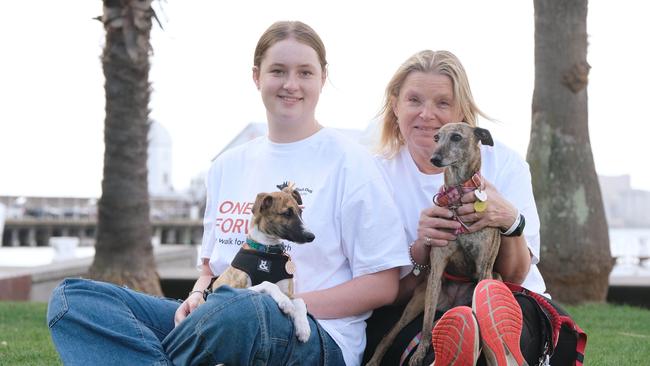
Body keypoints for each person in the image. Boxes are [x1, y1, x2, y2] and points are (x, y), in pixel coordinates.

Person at [47, 21, 410, 366]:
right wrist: (195, 296)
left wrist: (284, 301)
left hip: (313, 332)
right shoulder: (227, 165)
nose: (291, 84)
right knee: (74, 300)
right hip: (220, 316)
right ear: (257, 76)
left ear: (322, 78)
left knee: (244, 308)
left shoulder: (353, 163)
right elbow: (211, 269)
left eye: (305, 72)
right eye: (278, 70)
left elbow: (382, 285)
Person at [363, 50, 553, 366]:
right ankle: (465, 348)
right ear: (395, 105)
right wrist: (421, 251)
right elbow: (383, 290)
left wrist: (508, 218)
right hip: (428, 300)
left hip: (508, 299)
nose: (427, 114)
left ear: (462, 110)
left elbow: (517, 274)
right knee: (419, 337)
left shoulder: (504, 164)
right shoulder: (374, 174)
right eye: (414, 100)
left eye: (442, 103)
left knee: (490, 325)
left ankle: (486, 344)